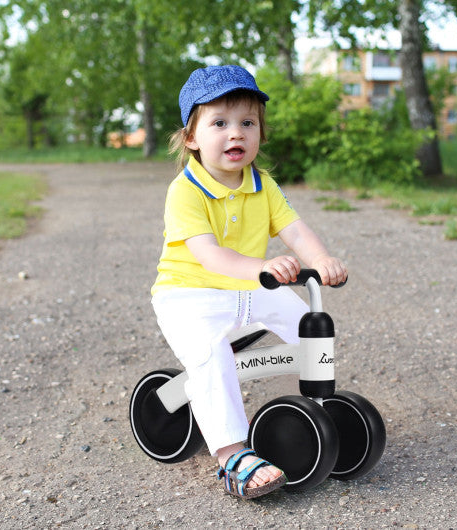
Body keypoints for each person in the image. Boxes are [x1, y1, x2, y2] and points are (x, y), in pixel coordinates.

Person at [151, 64, 348, 499]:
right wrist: (261, 269)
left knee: (307, 323)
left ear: (261, 131)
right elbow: (209, 254)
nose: (235, 133)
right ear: (191, 138)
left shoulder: (265, 185)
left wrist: (321, 259)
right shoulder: (185, 190)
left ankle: (320, 406)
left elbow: (294, 230)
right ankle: (231, 453)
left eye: (247, 123)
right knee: (208, 354)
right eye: (219, 123)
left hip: (249, 289)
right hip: (189, 296)